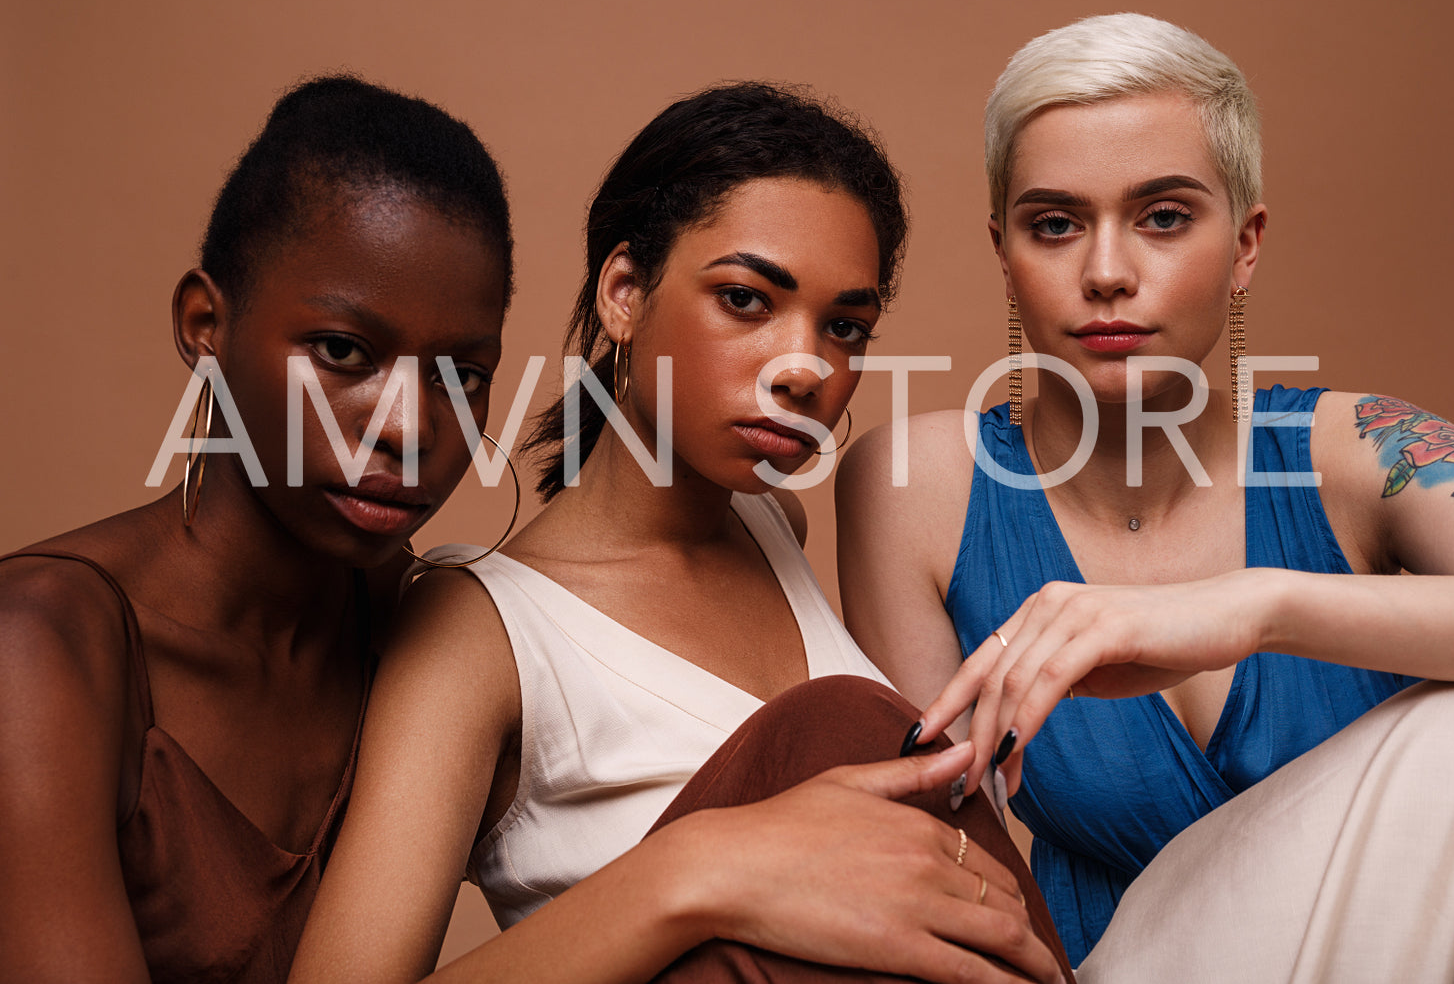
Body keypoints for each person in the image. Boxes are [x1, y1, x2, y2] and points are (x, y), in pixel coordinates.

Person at [290, 82, 1072, 984]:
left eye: (844, 326)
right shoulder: (478, 631)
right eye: (745, 299)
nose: (804, 367)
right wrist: (696, 870)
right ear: (624, 292)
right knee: (838, 722)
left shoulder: (773, 523)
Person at [836, 13, 1454, 975]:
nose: (1105, 272)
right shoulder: (921, 486)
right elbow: (936, 858)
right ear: (1003, 251)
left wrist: (1253, 607)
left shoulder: (1358, 449)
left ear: (1244, 245)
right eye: (1054, 224)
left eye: (1162, 217)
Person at [0, 75, 516, 983]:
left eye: (460, 375)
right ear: (206, 323)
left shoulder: (437, 635)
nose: (407, 424)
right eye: (343, 351)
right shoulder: (41, 645)